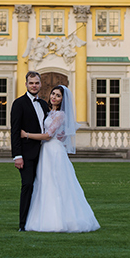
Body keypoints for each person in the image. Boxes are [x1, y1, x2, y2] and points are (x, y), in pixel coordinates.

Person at [22, 85, 100, 233]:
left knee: (57, 183)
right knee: (44, 183)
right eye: (53, 94)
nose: (54, 97)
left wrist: (26, 135)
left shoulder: (60, 115)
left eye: (58, 95)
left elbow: (48, 135)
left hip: (54, 150)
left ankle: (59, 220)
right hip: (46, 151)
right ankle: (43, 217)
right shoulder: (49, 112)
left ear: (63, 99)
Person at [10, 71, 50, 231]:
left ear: (40, 84)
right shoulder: (19, 103)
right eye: (31, 83)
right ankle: (23, 224)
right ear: (26, 84)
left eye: (37, 83)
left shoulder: (43, 104)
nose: (34, 85)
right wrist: (17, 156)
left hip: (44, 153)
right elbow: (15, 131)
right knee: (27, 185)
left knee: (43, 187)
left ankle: (39, 220)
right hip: (26, 154)